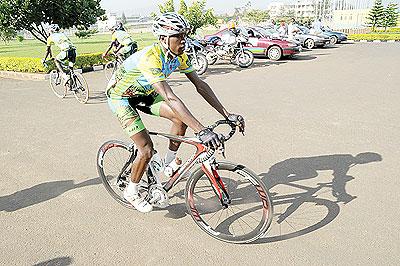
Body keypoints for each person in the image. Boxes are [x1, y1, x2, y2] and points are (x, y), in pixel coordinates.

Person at [105, 12, 245, 213]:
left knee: (181, 120)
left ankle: (168, 163)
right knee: (146, 149)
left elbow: (200, 85)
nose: (183, 41)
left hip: (144, 93)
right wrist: (202, 130)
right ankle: (132, 190)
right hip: (121, 98)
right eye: (178, 36)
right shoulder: (150, 58)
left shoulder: (179, 56)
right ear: (163, 38)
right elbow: (170, 97)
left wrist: (227, 114)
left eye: (185, 36)